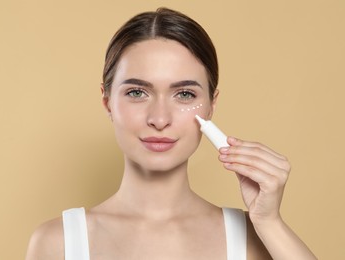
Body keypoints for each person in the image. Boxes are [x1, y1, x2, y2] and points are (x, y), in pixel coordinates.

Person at [26, 7, 317, 260]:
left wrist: (270, 223)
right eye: (137, 92)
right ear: (108, 102)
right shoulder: (57, 243)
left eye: (185, 94)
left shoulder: (255, 239)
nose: (160, 119)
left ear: (212, 104)